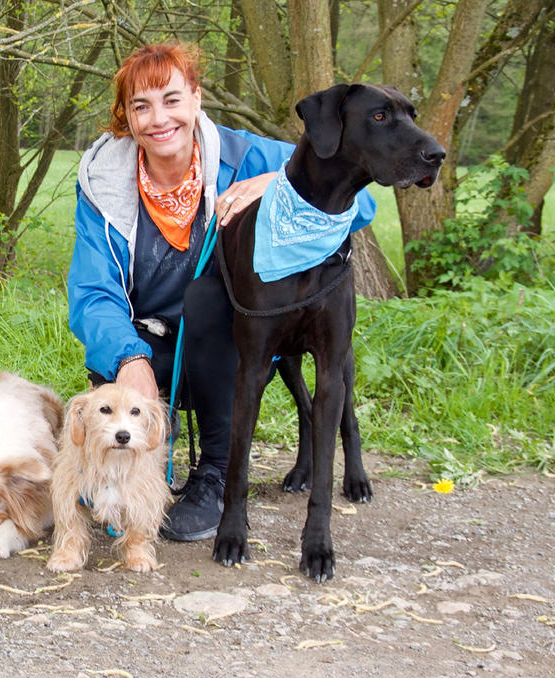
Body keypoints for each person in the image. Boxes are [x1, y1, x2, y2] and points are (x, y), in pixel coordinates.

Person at [67, 43, 376, 542]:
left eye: (171, 99)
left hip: (229, 343)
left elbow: (360, 206)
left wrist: (280, 185)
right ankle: (129, 476)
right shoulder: (102, 180)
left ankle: (216, 473)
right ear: (125, 116)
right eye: (140, 106)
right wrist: (129, 359)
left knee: (206, 298)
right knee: (113, 380)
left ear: (195, 97)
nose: (157, 118)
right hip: (148, 343)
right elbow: (92, 292)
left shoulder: (250, 155)